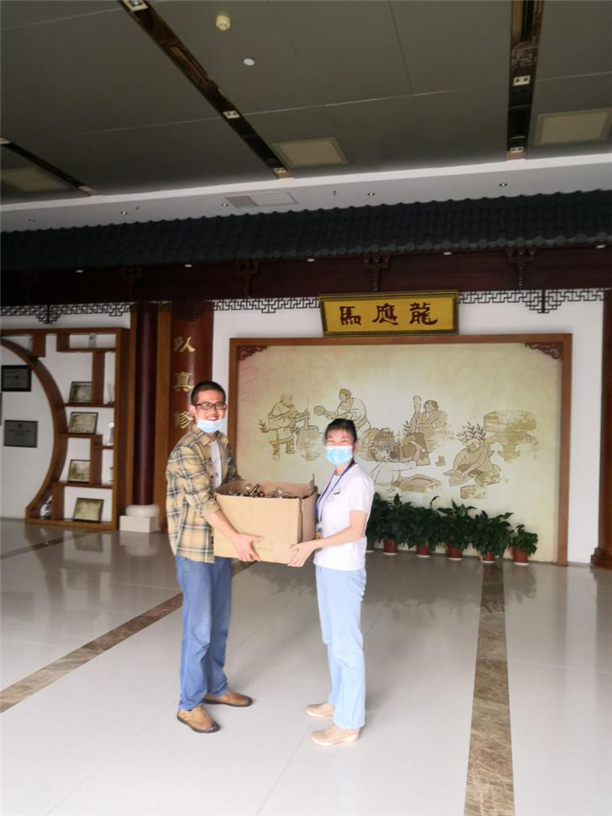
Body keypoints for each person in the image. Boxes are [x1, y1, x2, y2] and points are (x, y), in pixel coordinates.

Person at [166, 380, 262, 734]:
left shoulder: (221, 443)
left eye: (219, 405)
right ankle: (189, 704)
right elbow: (204, 502)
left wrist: (259, 511)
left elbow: (232, 485)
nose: (213, 411)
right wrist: (238, 539)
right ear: (192, 410)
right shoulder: (186, 451)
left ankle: (215, 688)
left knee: (219, 624)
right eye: (205, 405)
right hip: (195, 548)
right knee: (200, 628)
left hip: (220, 544)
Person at [287, 418, 374, 747]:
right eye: (332, 441)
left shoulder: (359, 481)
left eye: (344, 441)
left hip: (344, 570)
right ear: (325, 445)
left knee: (347, 646)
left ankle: (349, 724)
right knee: (332, 639)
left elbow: (356, 531)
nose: (337, 446)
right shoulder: (335, 476)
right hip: (326, 566)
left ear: (355, 446)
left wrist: (313, 544)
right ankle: (337, 699)